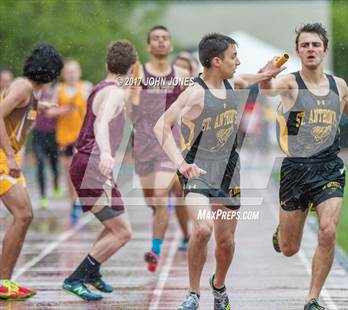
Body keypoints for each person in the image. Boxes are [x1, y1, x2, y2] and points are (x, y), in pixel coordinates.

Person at [260, 23, 348, 310]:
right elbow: (266, 89)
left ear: (325, 50)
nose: (310, 49)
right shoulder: (290, 83)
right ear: (299, 51)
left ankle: (312, 298)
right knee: (289, 249)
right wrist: (266, 75)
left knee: (328, 230)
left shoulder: (338, 85)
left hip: (329, 167)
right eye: (305, 45)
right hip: (296, 169)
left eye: (315, 45)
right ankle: (283, 231)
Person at [154, 33, 284, 310]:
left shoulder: (232, 82)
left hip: (228, 170)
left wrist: (265, 74)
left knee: (225, 242)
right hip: (198, 170)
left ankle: (219, 286)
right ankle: (192, 293)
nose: (238, 61)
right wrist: (181, 164)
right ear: (216, 61)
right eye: (233, 57)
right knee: (202, 230)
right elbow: (161, 127)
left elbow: (245, 79)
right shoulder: (195, 92)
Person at [62, 40, 137, 301]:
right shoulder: (115, 93)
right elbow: (102, 122)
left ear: (107, 65)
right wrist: (105, 152)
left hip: (89, 164)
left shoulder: (100, 87)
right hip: (93, 165)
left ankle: (92, 272)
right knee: (122, 232)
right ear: (132, 68)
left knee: (115, 225)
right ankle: (76, 278)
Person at [0, 44, 63, 300]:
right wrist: (12, 156)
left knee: (24, 216)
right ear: (51, 72)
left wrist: (43, 107)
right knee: (23, 214)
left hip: (6, 160)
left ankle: (6, 280)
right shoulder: (23, 87)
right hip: (3, 159)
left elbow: (20, 110)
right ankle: (3, 281)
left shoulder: (31, 93)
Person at [131, 25, 191, 272]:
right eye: (155, 38)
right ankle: (187, 232)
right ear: (148, 46)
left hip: (170, 143)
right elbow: (131, 104)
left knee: (160, 196)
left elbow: (196, 102)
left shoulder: (180, 74)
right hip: (144, 146)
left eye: (165, 38)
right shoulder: (138, 73)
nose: (160, 42)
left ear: (170, 45)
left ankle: (155, 249)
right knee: (156, 200)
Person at [48, 59, 92, 221]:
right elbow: (48, 112)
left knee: (79, 171)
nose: (71, 74)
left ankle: (81, 199)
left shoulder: (86, 87)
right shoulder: (59, 89)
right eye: (68, 71)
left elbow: (97, 107)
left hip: (81, 138)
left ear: (79, 72)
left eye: (74, 71)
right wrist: (64, 110)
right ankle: (73, 203)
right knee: (68, 173)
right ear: (64, 74)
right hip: (64, 138)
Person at [32, 83, 62, 209]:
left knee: (54, 164)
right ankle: (43, 196)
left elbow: (56, 111)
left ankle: (55, 183)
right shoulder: (34, 94)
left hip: (52, 135)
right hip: (38, 135)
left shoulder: (55, 93)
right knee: (40, 163)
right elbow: (30, 111)